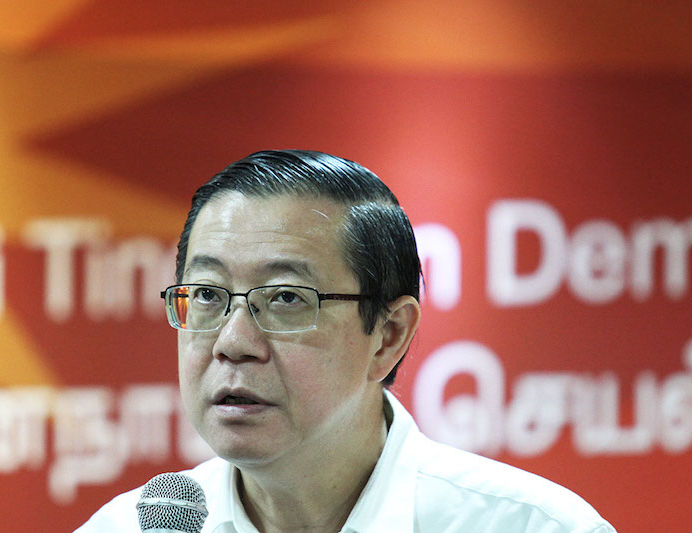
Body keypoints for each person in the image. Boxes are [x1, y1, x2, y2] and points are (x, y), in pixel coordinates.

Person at [75, 150, 616, 533]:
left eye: (286, 298)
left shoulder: (528, 527)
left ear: (388, 336)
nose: (233, 342)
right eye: (210, 295)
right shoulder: (132, 529)